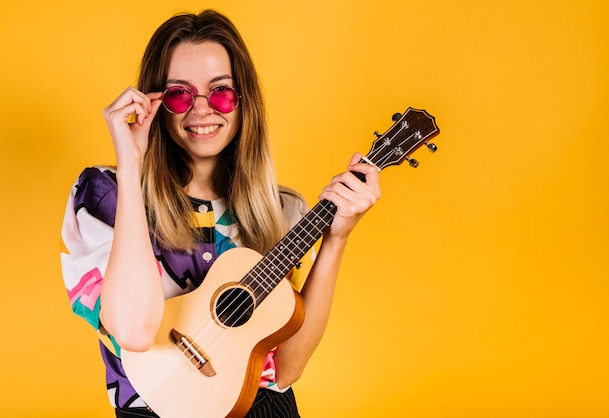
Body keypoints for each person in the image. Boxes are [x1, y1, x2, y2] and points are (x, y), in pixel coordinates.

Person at [61, 9, 380, 418]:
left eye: (221, 92)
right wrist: (130, 163)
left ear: (244, 100)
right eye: (179, 93)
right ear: (155, 102)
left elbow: (285, 371)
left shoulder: (281, 209)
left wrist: (338, 238)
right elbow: (134, 332)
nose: (202, 110)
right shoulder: (103, 195)